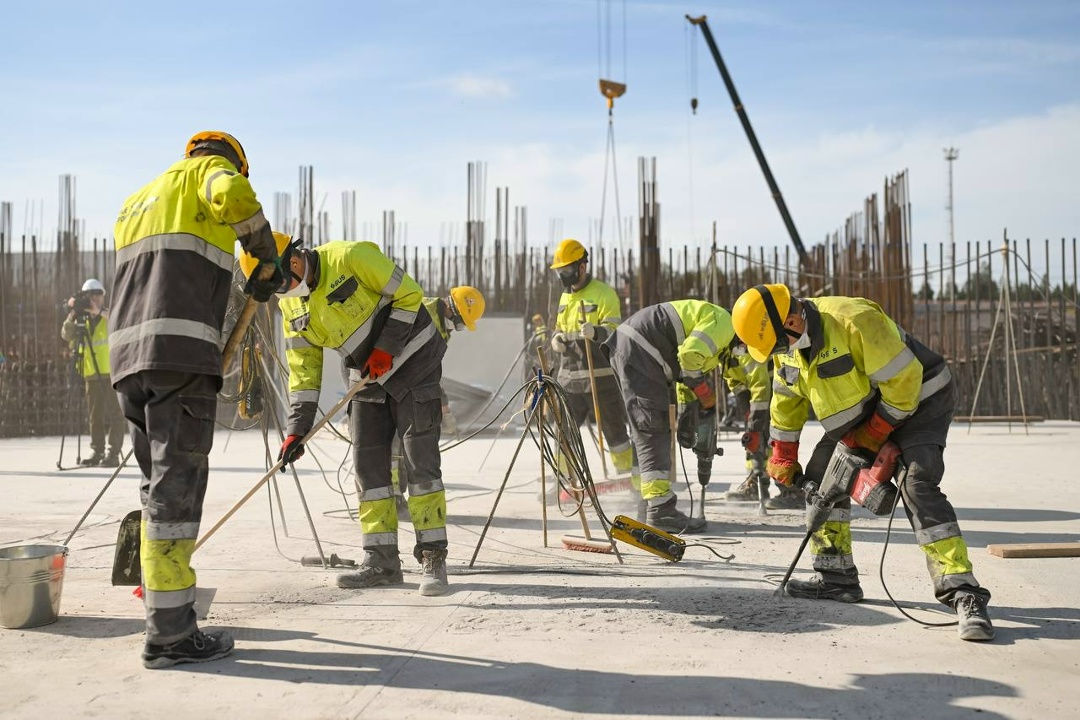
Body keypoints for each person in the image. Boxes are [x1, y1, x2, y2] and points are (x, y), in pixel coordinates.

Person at [731, 283, 994, 642]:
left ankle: (962, 590)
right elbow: (786, 398)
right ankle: (836, 577)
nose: (776, 352)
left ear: (792, 319)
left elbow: (904, 384)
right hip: (863, 413)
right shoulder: (787, 344)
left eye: (776, 344)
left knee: (917, 484)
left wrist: (875, 438)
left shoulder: (853, 320)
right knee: (823, 479)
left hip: (920, 400)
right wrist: (783, 453)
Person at [111, 131, 283, 669]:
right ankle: (170, 635)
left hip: (128, 363)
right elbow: (232, 194)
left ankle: (166, 617)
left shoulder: (137, 200)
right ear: (230, 160)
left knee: (156, 488)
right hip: (180, 357)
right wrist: (263, 253)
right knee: (176, 496)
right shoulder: (207, 177)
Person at [245, 234, 450, 596]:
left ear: (292, 262)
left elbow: (410, 293)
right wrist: (297, 430)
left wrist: (386, 347)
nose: (279, 293)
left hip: (415, 363)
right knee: (368, 466)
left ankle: (433, 557)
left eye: (278, 283)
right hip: (365, 377)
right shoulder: (289, 306)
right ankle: (381, 561)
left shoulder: (352, 257)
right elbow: (304, 370)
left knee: (420, 463)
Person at [601, 299, 735, 533]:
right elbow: (690, 356)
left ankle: (646, 502)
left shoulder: (716, 328)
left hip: (631, 347)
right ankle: (661, 510)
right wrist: (704, 392)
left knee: (643, 429)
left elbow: (684, 374)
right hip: (642, 350)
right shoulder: (725, 322)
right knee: (654, 427)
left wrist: (687, 414)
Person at [548, 239, 640, 493]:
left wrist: (597, 331)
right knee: (563, 433)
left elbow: (615, 332)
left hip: (600, 380)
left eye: (566, 270)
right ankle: (562, 483)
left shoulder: (604, 293)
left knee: (615, 434)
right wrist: (556, 338)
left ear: (582, 266)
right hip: (570, 380)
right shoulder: (565, 297)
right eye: (559, 271)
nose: (563, 276)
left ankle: (630, 481)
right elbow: (559, 327)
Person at [391, 287, 486, 517]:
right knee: (393, 444)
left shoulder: (442, 327)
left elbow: (431, 370)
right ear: (452, 309)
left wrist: (443, 407)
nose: (459, 329)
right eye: (461, 322)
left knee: (406, 446)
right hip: (392, 380)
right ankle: (391, 498)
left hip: (411, 382)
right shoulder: (422, 313)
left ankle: (398, 497)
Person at [720, 346, 805, 509]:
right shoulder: (723, 353)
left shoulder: (745, 348)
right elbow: (733, 379)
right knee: (753, 441)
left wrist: (755, 422)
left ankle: (791, 490)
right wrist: (746, 407)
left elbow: (761, 385)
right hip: (758, 396)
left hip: (775, 391)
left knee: (774, 442)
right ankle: (756, 483)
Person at [61, 278, 125, 467]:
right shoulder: (81, 318)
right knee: (94, 415)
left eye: (98, 294)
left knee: (115, 413)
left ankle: (113, 453)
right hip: (90, 372)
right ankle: (97, 450)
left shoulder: (108, 314)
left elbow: (118, 320)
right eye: (90, 295)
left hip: (112, 371)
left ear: (103, 297)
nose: (94, 298)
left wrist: (98, 311)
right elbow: (66, 335)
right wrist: (73, 312)